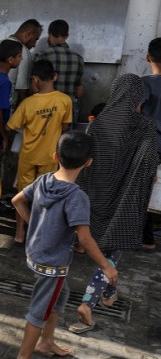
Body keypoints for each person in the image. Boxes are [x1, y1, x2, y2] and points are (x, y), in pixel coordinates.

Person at [12, 131, 118, 359]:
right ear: (89, 162)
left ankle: (47, 342)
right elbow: (85, 238)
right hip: (52, 263)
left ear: (54, 156)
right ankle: (23, 355)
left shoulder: (43, 180)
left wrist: (36, 225)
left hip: (36, 254)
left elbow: (17, 200)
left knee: (60, 294)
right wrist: (105, 266)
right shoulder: (76, 196)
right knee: (38, 312)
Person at [69, 73, 158, 334]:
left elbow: (87, 162)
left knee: (107, 250)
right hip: (125, 198)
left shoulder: (98, 124)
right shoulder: (144, 126)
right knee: (110, 253)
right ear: (138, 97)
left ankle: (109, 293)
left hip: (95, 196)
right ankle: (88, 302)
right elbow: (148, 167)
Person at [6, 59, 72, 245]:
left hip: (28, 155)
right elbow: (66, 126)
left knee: (22, 195)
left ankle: (20, 234)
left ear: (35, 79)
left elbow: (11, 126)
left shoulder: (27, 103)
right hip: (50, 156)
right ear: (55, 76)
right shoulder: (64, 100)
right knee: (45, 197)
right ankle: (41, 234)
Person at [0, 19, 42, 108]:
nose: (34, 45)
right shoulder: (23, 51)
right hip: (3, 109)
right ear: (28, 34)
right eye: (35, 39)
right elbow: (22, 91)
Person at [35, 19, 84, 125]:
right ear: (67, 36)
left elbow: (34, 87)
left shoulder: (42, 56)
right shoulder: (78, 58)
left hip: (44, 111)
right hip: (67, 112)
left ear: (49, 34)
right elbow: (79, 93)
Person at [142, 37, 161, 252]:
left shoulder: (145, 82)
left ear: (148, 57)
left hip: (149, 144)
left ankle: (146, 239)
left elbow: (135, 111)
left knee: (141, 190)